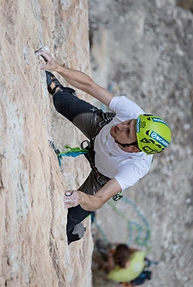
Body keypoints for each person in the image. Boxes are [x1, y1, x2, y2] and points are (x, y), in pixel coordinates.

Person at [35, 47, 171, 244]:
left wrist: (81, 198)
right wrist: (59, 68)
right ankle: (62, 91)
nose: (121, 125)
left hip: (101, 177)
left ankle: (76, 231)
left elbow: (98, 200)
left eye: (127, 131)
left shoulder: (135, 167)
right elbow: (90, 86)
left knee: (64, 227)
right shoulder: (133, 113)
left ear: (134, 148)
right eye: (129, 122)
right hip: (99, 129)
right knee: (61, 101)